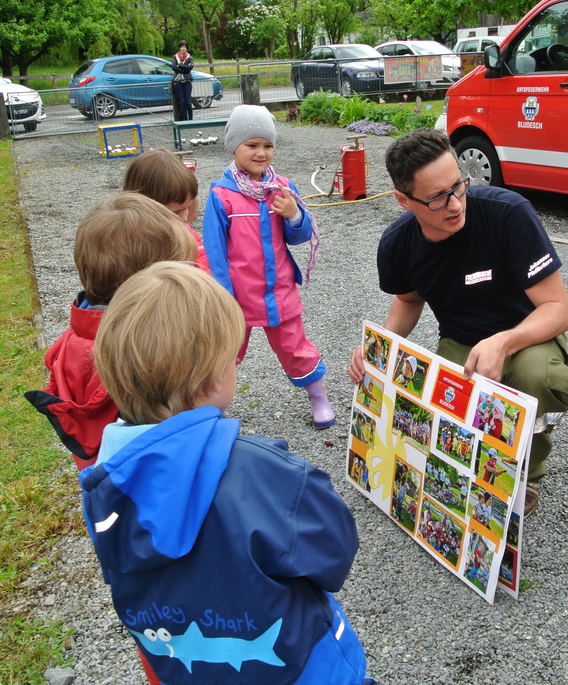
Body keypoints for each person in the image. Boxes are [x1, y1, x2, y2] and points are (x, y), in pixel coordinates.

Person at [83, 261, 371, 685]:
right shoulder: (264, 472)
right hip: (301, 670)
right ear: (212, 380)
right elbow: (334, 554)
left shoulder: (101, 485)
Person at [347, 129, 568, 516]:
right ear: (404, 200)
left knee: (537, 379)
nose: (455, 204)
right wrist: (379, 346)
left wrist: (503, 343)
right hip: (461, 340)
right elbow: (408, 299)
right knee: (446, 413)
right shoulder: (397, 244)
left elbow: (558, 308)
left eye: (459, 185)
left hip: (529, 333)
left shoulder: (508, 214)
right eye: (438, 197)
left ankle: (528, 470)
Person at [24, 192, 198, 470]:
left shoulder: (76, 338)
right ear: (149, 285)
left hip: (98, 472)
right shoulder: (141, 352)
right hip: (143, 477)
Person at [203, 105, 334, 429]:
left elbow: (299, 236)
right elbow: (215, 251)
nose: (261, 153)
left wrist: (293, 214)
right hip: (237, 295)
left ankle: (318, 395)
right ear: (234, 146)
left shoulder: (282, 188)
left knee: (295, 347)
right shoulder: (221, 195)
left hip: (279, 291)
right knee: (223, 353)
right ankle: (207, 408)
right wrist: (222, 295)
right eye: (251, 145)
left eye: (267, 145)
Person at [122, 147, 209, 272]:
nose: (185, 217)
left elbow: (201, 260)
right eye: (176, 212)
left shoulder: (185, 230)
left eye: (188, 207)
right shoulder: (136, 248)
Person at [172, 40, 194, 122]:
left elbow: (190, 67)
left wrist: (180, 65)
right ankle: (184, 120)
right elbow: (174, 67)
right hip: (178, 82)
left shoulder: (189, 57)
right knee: (182, 102)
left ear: (186, 48)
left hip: (187, 81)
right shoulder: (175, 57)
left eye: (184, 47)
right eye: (181, 47)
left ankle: (191, 119)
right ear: (179, 48)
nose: (183, 48)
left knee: (188, 101)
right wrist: (184, 69)